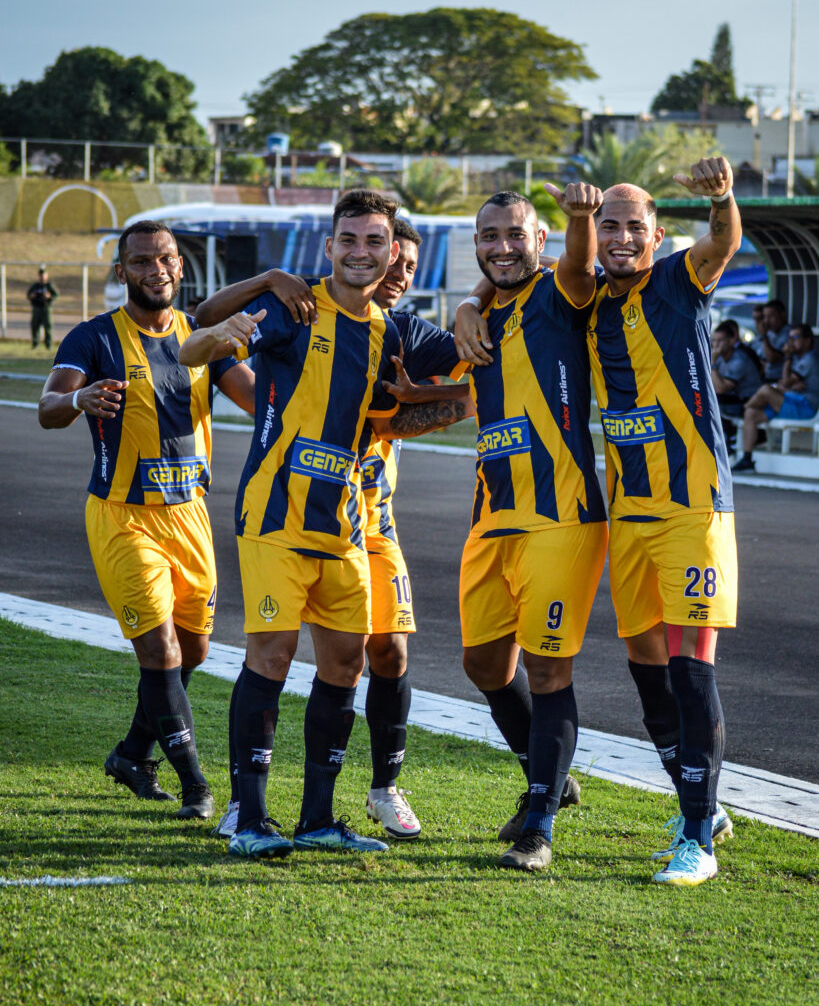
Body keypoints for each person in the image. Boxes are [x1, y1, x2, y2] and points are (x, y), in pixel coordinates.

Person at [456, 158, 741, 887]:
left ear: (655, 233)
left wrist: (723, 200)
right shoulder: (585, 304)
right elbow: (533, 273)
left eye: (631, 225)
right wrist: (470, 301)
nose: (619, 237)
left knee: (688, 666)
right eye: (607, 224)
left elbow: (720, 244)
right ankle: (700, 811)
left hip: (693, 506)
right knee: (650, 677)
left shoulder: (680, 278)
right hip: (628, 510)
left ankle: (695, 836)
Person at [179, 190, 471, 860]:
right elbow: (198, 331)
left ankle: (316, 820)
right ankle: (249, 818)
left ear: (394, 251)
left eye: (374, 242)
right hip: (274, 518)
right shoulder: (293, 305)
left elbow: (473, 369)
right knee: (272, 658)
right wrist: (259, 288)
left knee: (344, 664)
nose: (360, 253)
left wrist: (440, 378)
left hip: (344, 528)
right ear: (329, 245)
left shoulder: (398, 333)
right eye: (348, 240)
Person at [38, 221, 257, 820]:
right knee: (159, 651)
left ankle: (133, 753)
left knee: (194, 651)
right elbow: (48, 407)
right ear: (122, 272)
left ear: (180, 267)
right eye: (140, 262)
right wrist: (78, 400)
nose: (155, 269)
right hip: (122, 517)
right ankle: (195, 786)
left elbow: (259, 399)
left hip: (189, 515)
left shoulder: (202, 336)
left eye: (164, 259)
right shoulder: (94, 338)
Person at [452, 188, 609, 872]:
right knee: (483, 663)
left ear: (538, 239)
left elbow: (581, 261)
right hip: (493, 517)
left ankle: (538, 824)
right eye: (489, 237)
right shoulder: (484, 309)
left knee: (547, 666)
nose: (501, 246)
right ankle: (549, 774)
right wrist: (466, 302)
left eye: (514, 234)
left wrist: (580, 217)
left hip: (561, 516)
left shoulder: (561, 291)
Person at [734, 323, 819, 472]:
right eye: (790, 338)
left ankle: (744, 409)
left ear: (808, 340)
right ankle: (747, 459)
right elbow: (783, 384)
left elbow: (784, 382)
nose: (791, 342)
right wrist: (789, 385)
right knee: (751, 414)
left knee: (766, 390)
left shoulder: (809, 358)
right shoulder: (797, 358)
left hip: (806, 408)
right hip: (791, 402)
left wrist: (787, 358)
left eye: (796, 337)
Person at [711, 320, 763, 451]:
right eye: (714, 341)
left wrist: (712, 364)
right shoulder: (721, 358)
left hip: (749, 402)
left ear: (731, 341)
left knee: (713, 401)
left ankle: (729, 441)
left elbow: (721, 388)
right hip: (733, 399)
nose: (716, 345)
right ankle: (726, 439)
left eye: (720, 341)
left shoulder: (739, 359)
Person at [752, 300, 790, 383]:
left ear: (782, 315)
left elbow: (772, 358)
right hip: (766, 378)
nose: (766, 321)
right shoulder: (770, 333)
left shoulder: (790, 334)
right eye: (765, 317)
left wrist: (764, 336)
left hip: (779, 380)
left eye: (771, 316)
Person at [27, 265, 59, 349]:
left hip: (46, 309)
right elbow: (28, 295)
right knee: (35, 326)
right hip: (36, 308)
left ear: (46, 275)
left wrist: (49, 297)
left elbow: (56, 295)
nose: (42, 277)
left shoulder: (49, 285)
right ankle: (35, 344)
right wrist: (31, 296)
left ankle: (48, 344)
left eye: (43, 275)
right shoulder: (35, 286)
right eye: (40, 275)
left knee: (48, 327)